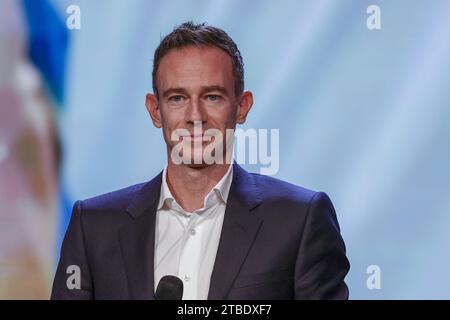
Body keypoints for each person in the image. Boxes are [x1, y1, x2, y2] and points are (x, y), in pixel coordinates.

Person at [51, 21, 350, 300]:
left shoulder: (298, 220)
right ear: (155, 110)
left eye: (212, 97)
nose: (195, 117)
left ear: (242, 106)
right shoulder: (93, 226)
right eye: (177, 98)